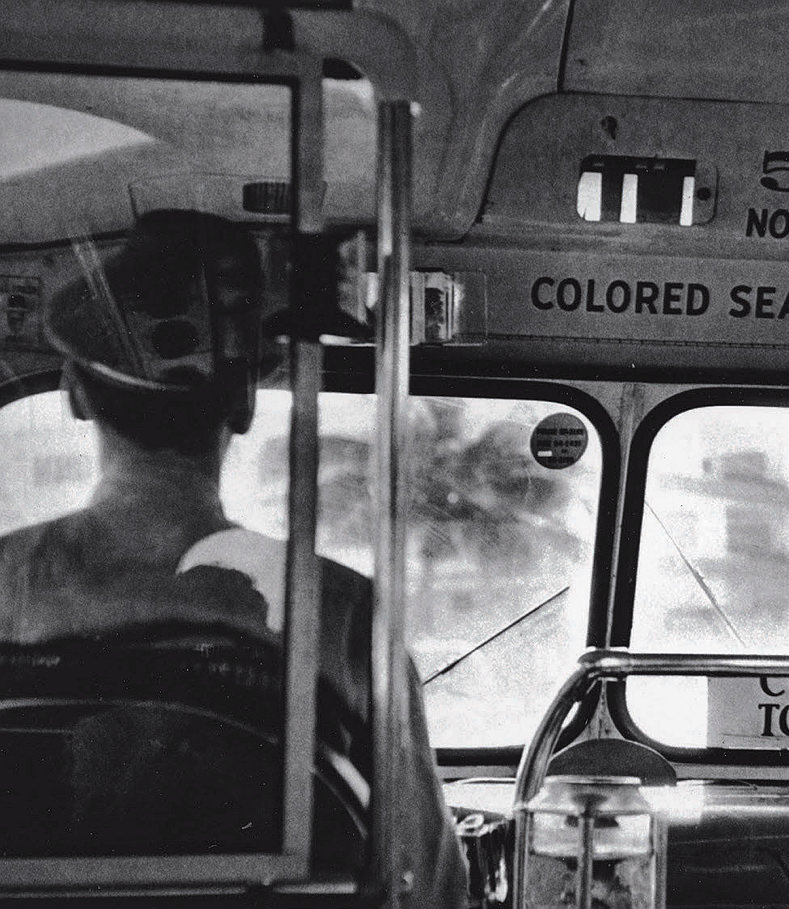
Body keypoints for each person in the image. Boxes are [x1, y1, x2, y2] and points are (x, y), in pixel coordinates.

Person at [0, 210, 465, 904]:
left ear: (72, 393)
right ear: (244, 406)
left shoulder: (8, 584)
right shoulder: (340, 614)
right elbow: (426, 885)